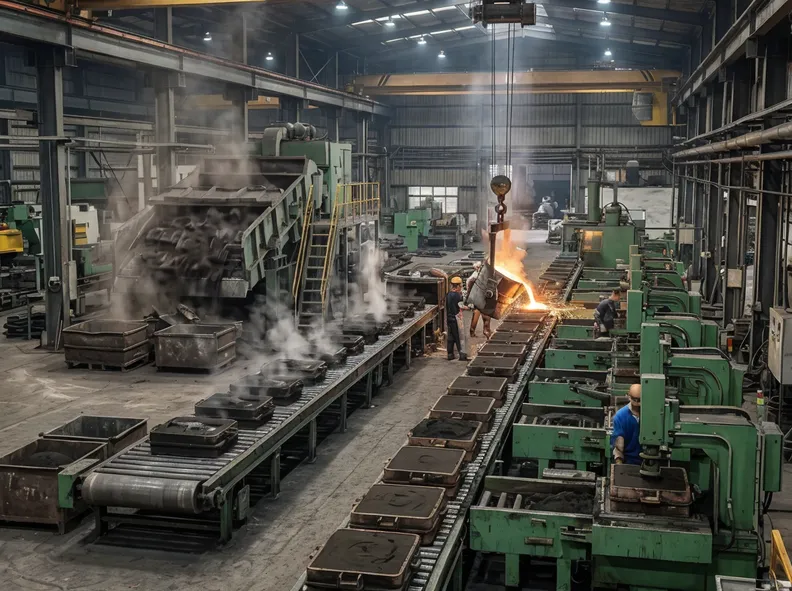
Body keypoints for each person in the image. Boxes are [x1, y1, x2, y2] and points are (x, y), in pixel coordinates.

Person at [611, 384, 641, 465]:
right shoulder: (620, 417)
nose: (637, 403)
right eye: (635, 400)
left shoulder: (651, 415)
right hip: (629, 462)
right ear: (628, 396)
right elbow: (619, 448)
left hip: (649, 460)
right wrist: (620, 467)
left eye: (639, 400)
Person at [466, 263, 492, 339]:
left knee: (477, 315)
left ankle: (474, 330)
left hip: (477, 298)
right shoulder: (475, 277)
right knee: (485, 316)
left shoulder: (475, 276)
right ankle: (486, 330)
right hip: (479, 299)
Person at [446, 276, 468, 361]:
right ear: (458, 286)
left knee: (450, 337)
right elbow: (460, 306)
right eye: (460, 286)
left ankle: (450, 354)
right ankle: (462, 355)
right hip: (456, 319)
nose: (461, 288)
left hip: (449, 318)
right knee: (459, 337)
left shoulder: (448, 294)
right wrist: (468, 307)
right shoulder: (457, 296)